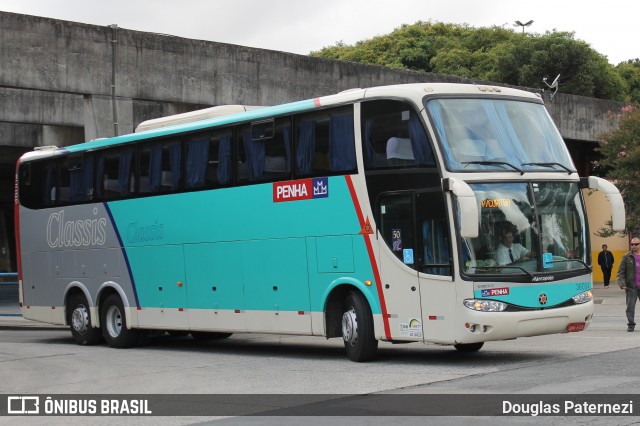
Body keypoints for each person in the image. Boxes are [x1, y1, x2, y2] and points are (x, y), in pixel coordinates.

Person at [617, 237, 640, 332]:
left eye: (636, 244)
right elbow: (621, 272)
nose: (634, 246)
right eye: (632, 244)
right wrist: (622, 283)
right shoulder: (626, 256)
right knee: (630, 306)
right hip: (631, 286)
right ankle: (631, 324)